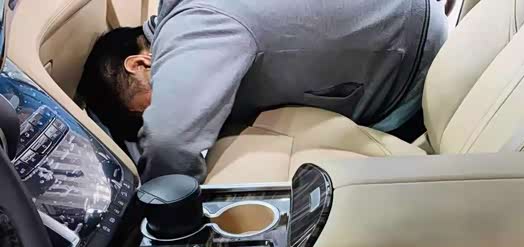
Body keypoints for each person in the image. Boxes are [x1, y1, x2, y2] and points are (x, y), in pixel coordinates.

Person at [79, 0, 450, 182]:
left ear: (139, 64)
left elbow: (169, 142)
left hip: (407, 59)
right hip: (403, 21)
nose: (156, 111)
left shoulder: (194, 30)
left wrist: (153, 208)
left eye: (146, 109)